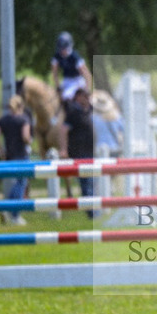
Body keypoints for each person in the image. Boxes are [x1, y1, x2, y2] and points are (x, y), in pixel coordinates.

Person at [59, 87, 98, 216]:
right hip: (79, 151)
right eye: (84, 96)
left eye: (88, 96)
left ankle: (93, 208)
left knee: (92, 181)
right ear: (78, 97)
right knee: (86, 181)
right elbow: (63, 131)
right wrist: (63, 149)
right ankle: (91, 211)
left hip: (91, 150)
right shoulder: (73, 113)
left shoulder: (91, 110)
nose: (87, 98)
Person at [0, 95, 32, 225]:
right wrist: (30, 141)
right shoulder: (24, 119)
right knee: (21, 184)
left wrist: (1, 151)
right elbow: (25, 137)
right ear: (21, 106)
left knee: (17, 183)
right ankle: (14, 215)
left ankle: (6, 207)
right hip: (21, 155)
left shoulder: (3, 120)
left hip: (9, 156)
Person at [50, 31, 93, 101]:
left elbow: (87, 74)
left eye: (63, 49)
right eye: (60, 49)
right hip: (66, 80)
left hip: (77, 81)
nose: (62, 51)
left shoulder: (75, 57)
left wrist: (87, 89)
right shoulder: (57, 56)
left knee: (66, 96)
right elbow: (55, 73)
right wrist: (57, 86)